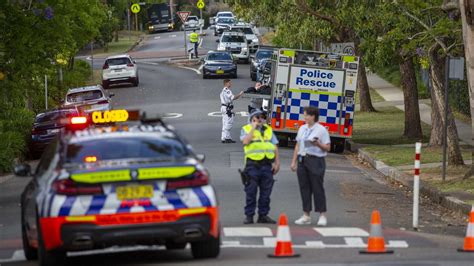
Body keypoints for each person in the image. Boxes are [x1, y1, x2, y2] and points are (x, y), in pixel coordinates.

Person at [290, 106, 331, 226]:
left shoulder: (321, 130)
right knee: (304, 188)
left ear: (313, 116)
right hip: (303, 159)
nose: (304, 117)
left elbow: (328, 147)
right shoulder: (302, 128)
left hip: (316, 160)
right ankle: (306, 214)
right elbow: (298, 145)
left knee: (317, 187)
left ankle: (322, 214)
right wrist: (294, 161)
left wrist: (318, 143)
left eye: (306, 115)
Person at [240, 109, 280, 224]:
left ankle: (263, 215)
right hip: (252, 165)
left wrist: (277, 163)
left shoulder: (268, 130)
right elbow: (245, 142)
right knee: (251, 192)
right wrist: (253, 127)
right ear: (251, 119)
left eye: (262, 117)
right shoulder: (246, 129)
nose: (260, 119)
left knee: (266, 193)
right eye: (257, 117)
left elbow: (275, 146)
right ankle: (249, 215)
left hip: (267, 165)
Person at [220, 79, 243, 143]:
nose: (231, 84)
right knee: (229, 123)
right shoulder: (227, 91)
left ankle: (223, 137)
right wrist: (240, 94)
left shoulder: (222, 91)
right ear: (226, 83)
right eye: (230, 83)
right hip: (227, 108)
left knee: (224, 123)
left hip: (224, 107)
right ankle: (227, 138)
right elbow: (233, 98)